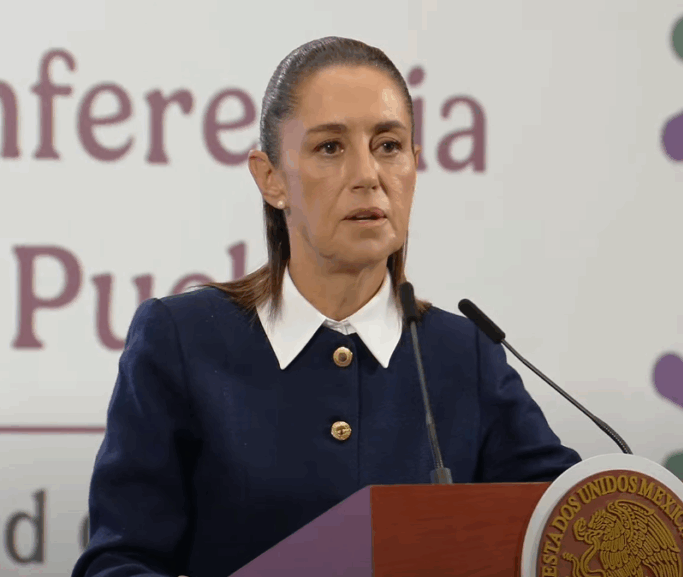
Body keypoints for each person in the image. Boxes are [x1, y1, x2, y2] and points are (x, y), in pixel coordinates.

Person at [71, 36, 581, 577]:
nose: (368, 175)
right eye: (331, 148)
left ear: (414, 165)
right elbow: (119, 562)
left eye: (388, 145)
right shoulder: (182, 340)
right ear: (270, 178)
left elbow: (570, 524)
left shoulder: (464, 355)